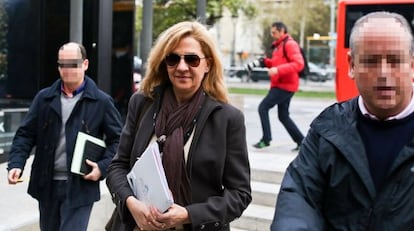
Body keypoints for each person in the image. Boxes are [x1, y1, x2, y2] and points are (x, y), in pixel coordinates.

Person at [271, 12, 414, 230]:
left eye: (395, 61)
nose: (384, 73)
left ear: (412, 65)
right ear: (351, 65)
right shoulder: (327, 129)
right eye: (371, 61)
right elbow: (300, 197)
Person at [105, 21, 251, 231]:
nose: (182, 67)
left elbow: (240, 195)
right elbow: (117, 166)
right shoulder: (142, 104)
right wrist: (131, 203)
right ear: (164, 64)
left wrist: (189, 215)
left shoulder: (227, 119)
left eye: (192, 59)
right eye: (173, 59)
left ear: (207, 64)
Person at [7, 42, 123, 231]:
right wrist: (16, 164)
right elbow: (25, 135)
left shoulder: (101, 102)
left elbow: (118, 142)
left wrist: (102, 168)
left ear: (85, 64)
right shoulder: (44, 98)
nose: (67, 69)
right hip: (47, 186)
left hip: (81, 186)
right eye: (62, 64)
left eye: (73, 64)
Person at [253, 21, 304, 151]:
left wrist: (278, 70)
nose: (272, 35)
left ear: (282, 31)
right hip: (282, 84)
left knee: (263, 108)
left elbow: (299, 64)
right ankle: (301, 141)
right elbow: (277, 63)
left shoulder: (290, 44)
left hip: (284, 85)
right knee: (283, 116)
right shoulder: (279, 46)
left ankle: (266, 139)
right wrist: (266, 62)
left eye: (274, 32)